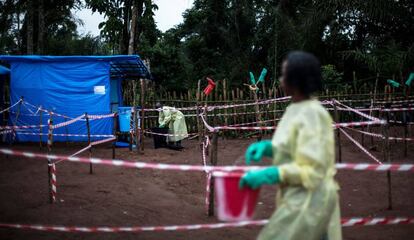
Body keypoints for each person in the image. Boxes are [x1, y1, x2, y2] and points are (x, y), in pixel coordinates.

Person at [239, 51, 342, 240]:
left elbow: (314, 170)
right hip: (296, 197)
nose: (280, 80)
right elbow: (295, 148)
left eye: (283, 75)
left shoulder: (313, 114)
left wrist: (273, 174)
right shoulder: (294, 109)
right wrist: (270, 148)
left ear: (294, 80)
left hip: (313, 202)